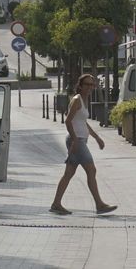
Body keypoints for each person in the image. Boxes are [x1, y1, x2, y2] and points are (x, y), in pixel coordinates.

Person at [49, 73, 117, 216]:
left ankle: (56, 204)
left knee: (68, 173)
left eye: (92, 84)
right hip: (77, 141)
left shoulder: (84, 100)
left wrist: (97, 137)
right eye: (87, 84)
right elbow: (68, 121)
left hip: (79, 140)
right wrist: (74, 140)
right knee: (91, 170)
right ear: (80, 86)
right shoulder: (77, 99)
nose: (90, 87)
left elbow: (83, 122)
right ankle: (99, 204)